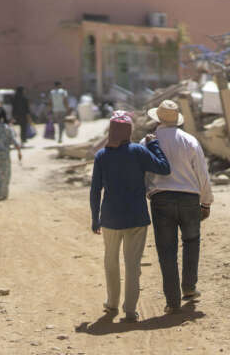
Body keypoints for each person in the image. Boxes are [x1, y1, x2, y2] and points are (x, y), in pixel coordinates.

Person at [90, 111, 171, 322]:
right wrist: (153, 146)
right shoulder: (138, 151)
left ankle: (111, 303)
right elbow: (164, 168)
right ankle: (130, 310)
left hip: (109, 218)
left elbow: (95, 190)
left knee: (110, 261)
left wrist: (94, 218)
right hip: (136, 217)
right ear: (129, 131)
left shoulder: (102, 155)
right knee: (133, 265)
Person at [142, 100, 214, 315]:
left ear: (157, 118)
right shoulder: (189, 140)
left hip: (161, 200)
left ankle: (172, 302)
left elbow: (143, 171)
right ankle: (189, 288)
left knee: (166, 251)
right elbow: (202, 173)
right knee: (192, 242)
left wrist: (148, 191)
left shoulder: (147, 142)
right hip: (190, 199)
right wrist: (206, 201)